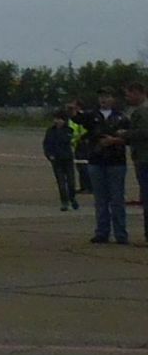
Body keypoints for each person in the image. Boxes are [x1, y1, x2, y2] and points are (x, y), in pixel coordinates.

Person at [83, 90, 131, 244]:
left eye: (107, 96)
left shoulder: (121, 117)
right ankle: (102, 232)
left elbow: (129, 136)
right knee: (100, 199)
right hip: (96, 160)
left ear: (113, 99)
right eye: (101, 96)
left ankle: (121, 234)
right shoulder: (92, 116)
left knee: (117, 199)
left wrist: (115, 139)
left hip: (116, 162)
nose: (104, 99)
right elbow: (78, 120)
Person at [42, 109, 79, 211]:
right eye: (56, 119)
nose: (57, 121)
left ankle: (72, 198)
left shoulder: (69, 130)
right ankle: (64, 201)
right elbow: (46, 144)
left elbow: (67, 140)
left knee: (71, 182)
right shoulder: (50, 131)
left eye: (60, 119)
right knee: (61, 183)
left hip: (67, 159)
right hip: (56, 160)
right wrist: (49, 155)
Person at [126, 82, 148, 243]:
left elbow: (144, 132)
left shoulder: (143, 111)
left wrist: (124, 135)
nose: (127, 97)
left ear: (138, 93)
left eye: (129, 93)